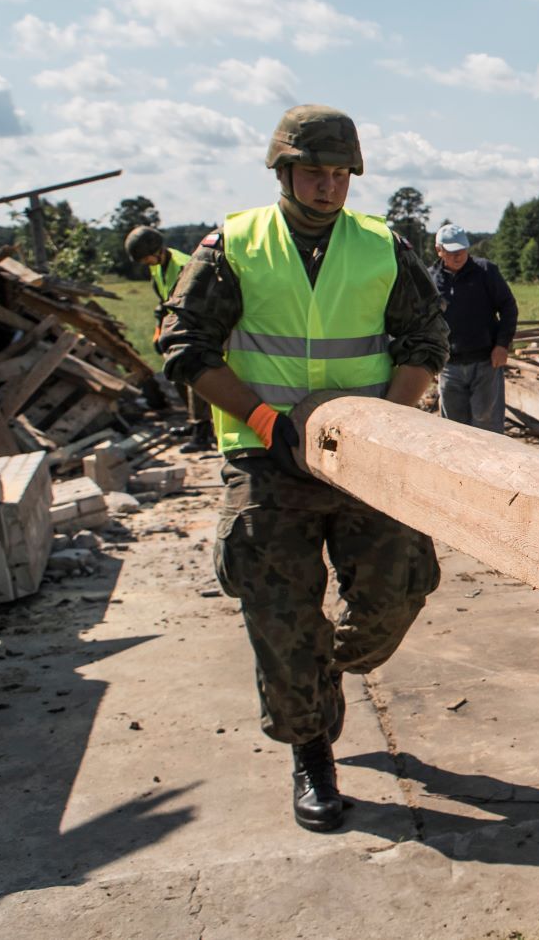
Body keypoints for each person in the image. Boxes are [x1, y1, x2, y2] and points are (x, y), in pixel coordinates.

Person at [157, 104, 450, 832]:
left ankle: (330, 667)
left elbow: (425, 338)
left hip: (363, 461)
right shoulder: (235, 244)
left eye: (340, 173)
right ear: (283, 171)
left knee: (400, 585)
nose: (328, 186)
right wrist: (263, 419)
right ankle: (311, 749)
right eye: (314, 172)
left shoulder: (384, 245)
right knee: (280, 617)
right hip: (267, 458)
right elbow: (184, 345)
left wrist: (383, 424)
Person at [125, 224, 214, 452]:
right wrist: (159, 331)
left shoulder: (185, 265)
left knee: (195, 373)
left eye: (146, 258)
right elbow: (163, 302)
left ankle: (203, 432)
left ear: (158, 250)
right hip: (178, 325)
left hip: (199, 325)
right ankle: (194, 421)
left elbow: (197, 304)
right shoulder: (157, 267)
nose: (146, 263)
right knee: (175, 374)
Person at [429, 222, 518, 433]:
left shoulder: (485, 272)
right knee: (454, 429)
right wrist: (430, 358)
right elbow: (424, 321)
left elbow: (508, 307)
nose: (458, 256)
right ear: (439, 250)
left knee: (487, 424)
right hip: (449, 365)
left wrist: (502, 345)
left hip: (486, 362)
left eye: (462, 250)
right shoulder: (431, 279)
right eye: (452, 252)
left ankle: (493, 465)